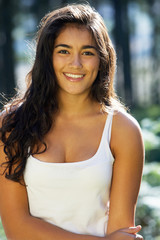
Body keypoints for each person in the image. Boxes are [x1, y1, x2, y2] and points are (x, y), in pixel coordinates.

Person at [0, 3, 144, 240]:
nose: (75, 64)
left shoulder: (122, 130)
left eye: (87, 52)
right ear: (48, 57)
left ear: (102, 59)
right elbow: (16, 227)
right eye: (64, 51)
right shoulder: (13, 124)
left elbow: (120, 231)